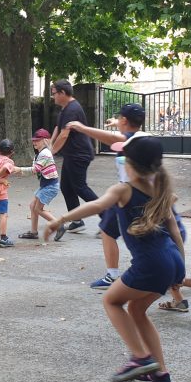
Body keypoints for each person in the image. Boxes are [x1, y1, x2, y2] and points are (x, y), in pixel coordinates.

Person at [44, 136, 187, 382]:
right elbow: (175, 231)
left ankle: (140, 357)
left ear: (129, 164)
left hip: (151, 264)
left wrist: (61, 219)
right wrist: (181, 270)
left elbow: (97, 205)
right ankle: (160, 374)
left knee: (111, 300)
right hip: (171, 260)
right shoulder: (160, 188)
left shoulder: (125, 188)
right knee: (137, 310)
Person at [62, 102, 147, 289]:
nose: (117, 121)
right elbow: (116, 131)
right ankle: (171, 279)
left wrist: (82, 127)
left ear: (124, 120)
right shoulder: (142, 137)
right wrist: (113, 122)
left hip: (129, 196)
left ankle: (113, 275)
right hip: (144, 195)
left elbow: (110, 137)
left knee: (111, 231)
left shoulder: (128, 140)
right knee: (140, 233)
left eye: (119, 118)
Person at [50, 80, 98, 232]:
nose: (53, 97)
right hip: (71, 154)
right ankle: (76, 220)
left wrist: (51, 152)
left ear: (62, 93)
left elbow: (64, 135)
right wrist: (50, 146)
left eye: (54, 94)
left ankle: (110, 218)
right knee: (66, 187)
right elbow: (59, 128)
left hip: (79, 154)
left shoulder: (72, 109)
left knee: (80, 187)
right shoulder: (65, 109)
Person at [18, 129, 60, 240]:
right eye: (34, 140)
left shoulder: (45, 153)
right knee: (33, 206)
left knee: (37, 209)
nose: (34, 142)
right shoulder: (40, 153)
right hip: (46, 185)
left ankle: (58, 225)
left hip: (50, 186)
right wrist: (20, 171)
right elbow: (35, 169)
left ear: (45, 141)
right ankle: (33, 232)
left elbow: (35, 169)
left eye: (38, 140)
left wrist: (18, 169)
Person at [0, 139, 23, 247]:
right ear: (12, 152)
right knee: (3, 214)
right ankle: (3, 238)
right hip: (0, 190)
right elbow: (6, 168)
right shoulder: (9, 161)